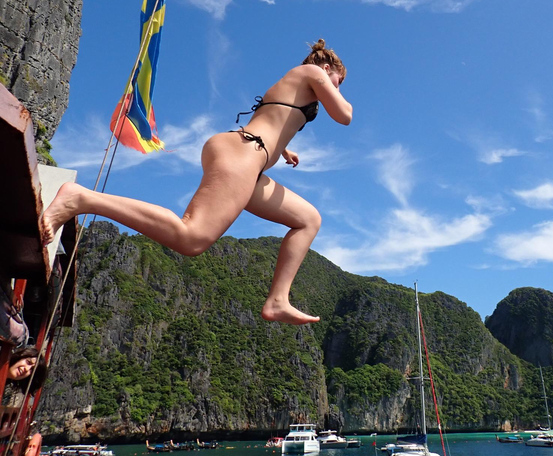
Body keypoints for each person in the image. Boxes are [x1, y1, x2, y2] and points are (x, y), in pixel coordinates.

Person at [42, 39, 352, 325]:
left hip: (248, 157)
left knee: (308, 219)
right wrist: (335, 93)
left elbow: (272, 113)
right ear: (328, 69)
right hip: (243, 153)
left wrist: (283, 148)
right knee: (192, 237)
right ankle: (81, 198)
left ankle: (277, 299)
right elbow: (344, 115)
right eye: (339, 82)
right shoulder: (312, 71)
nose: (337, 88)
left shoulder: (297, 84)